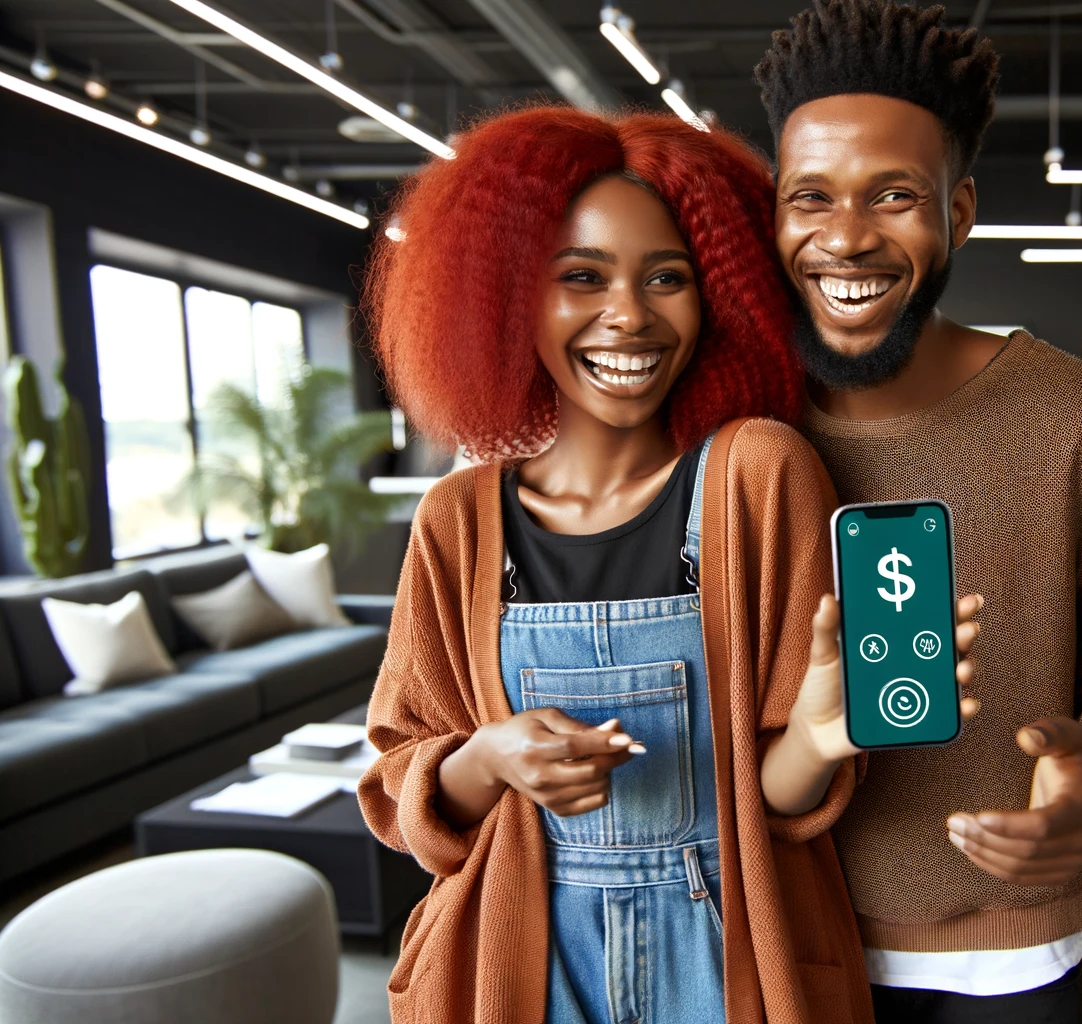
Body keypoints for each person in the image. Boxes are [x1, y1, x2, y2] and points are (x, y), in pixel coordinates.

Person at [357, 106, 977, 1024]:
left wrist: (814, 740)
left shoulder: (758, 476)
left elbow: (775, 801)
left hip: (730, 959)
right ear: (506, 297)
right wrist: (489, 758)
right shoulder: (457, 520)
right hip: (523, 959)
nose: (630, 318)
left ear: (717, 297)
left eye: (667, 278)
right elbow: (401, 776)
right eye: (581, 277)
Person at [755, 3, 1082, 1020]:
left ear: (957, 212)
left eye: (893, 195)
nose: (845, 236)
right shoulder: (737, 424)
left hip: (1000, 959)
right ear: (775, 213)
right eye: (811, 198)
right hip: (766, 929)